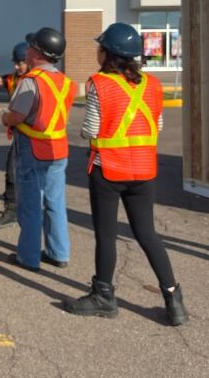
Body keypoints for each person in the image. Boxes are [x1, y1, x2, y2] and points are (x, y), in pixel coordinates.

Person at [63, 23, 188, 325]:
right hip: (144, 171)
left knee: (106, 235)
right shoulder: (153, 85)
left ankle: (104, 296)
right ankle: (174, 299)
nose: (97, 51)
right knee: (147, 233)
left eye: (100, 47)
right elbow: (155, 127)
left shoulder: (100, 85)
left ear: (108, 54)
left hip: (109, 171)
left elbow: (90, 130)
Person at [1, 28, 76, 272]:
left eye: (30, 47)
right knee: (55, 202)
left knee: (31, 205)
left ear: (37, 53)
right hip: (58, 150)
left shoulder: (30, 82)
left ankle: (28, 257)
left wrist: (5, 117)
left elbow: (16, 116)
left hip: (33, 149)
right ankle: (59, 252)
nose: (27, 50)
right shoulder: (66, 83)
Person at [0, 41, 29, 228]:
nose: (16, 66)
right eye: (15, 62)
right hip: (19, 136)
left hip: (37, 137)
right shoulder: (13, 79)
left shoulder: (37, 80)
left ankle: (28, 211)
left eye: (20, 62)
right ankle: (11, 210)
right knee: (11, 171)